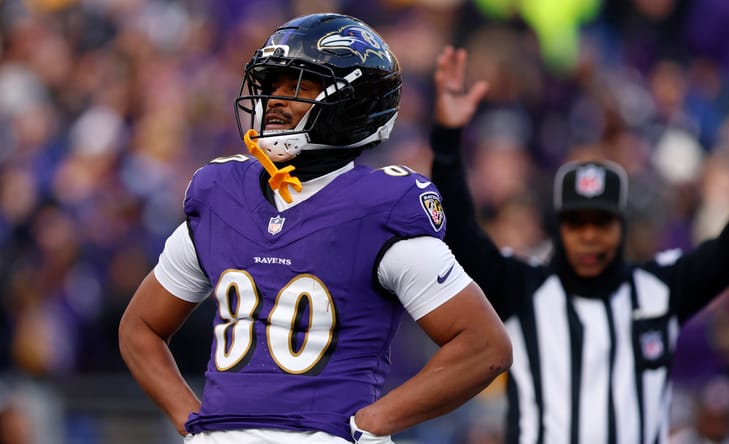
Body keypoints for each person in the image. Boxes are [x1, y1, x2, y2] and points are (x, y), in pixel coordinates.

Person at [118, 15, 512, 444]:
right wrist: (190, 418)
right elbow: (140, 326)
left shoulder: (379, 207)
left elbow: (484, 346)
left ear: (352, 104)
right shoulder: (221, 196)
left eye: (299, 87)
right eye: (273, 85)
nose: (276, 101)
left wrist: (372, 422)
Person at [429, 46, 729, 444]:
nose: (590, 234)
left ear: (622, 227)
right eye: (576, 222)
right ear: (559, 228)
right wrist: (446, 143)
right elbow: (458, 233)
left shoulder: (659, 290)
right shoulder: (522, 289)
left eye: (602, 221)